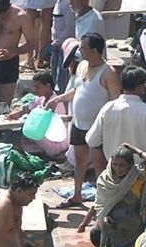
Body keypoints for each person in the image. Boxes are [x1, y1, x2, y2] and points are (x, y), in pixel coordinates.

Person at [46, 32, 117, 206]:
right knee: (80, 162)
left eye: (83, 48)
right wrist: (58, 99)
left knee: (99, 164)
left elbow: (116, 101)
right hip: (79, 124)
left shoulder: (108, 72)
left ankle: (101, 201)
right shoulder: (82, 66)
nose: (80, 51)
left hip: (97, 127)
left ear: (94, 51)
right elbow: (77, 90)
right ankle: (77, 195)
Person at [86, 65, 146, 202]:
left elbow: (92, 140)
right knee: (135, 211)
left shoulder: (108, 108)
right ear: (141, 87)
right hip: (138, 178)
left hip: (113, 175)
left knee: (109, 210)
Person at [47, 0, 75, 93]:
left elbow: (70, 27)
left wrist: (58, 41)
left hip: (64, 45)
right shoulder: (59, 1)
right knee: (54, 72)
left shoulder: (67, 4)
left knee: (62, 75)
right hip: (56, 44)